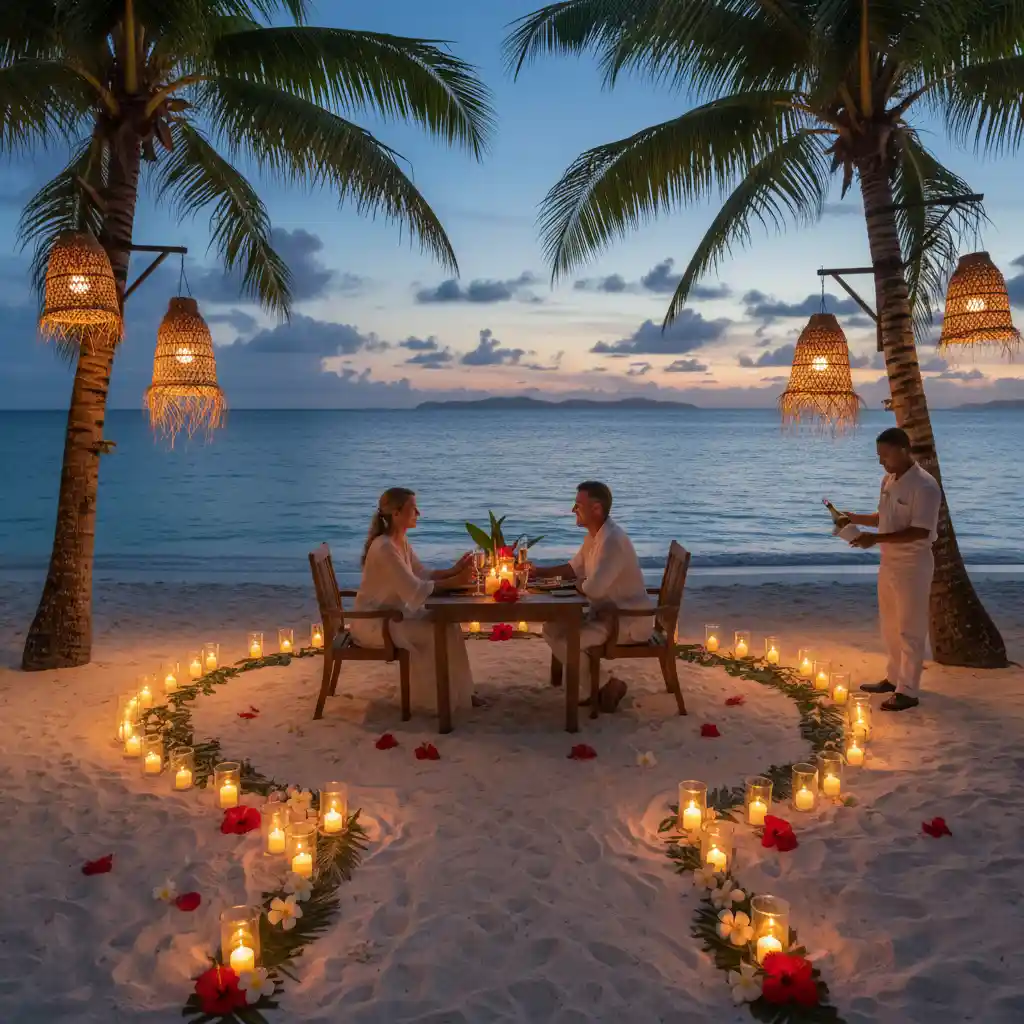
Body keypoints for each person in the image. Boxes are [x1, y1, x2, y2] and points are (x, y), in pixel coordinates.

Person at [349, 488, 476, 715]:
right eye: (413, 508)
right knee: (435, 632)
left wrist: (453, 571)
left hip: (393, 616)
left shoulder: (400, 541)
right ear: (396, 514)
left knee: (450, 625)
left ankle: (461, 694)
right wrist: (457, 581)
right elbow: (414, 589)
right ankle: (435, 701)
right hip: (375, 623)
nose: (419, 512)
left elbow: (421, 573)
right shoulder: (385, 547)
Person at [840, 428, 942, 712]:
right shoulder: (888, 479)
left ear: (903, 450)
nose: (881, 461)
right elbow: (883, 518)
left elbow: (921, 531)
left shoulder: (925, 486)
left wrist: (875, 539)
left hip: (913, 565)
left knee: (910, 628)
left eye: (885, 455)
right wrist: (851, 517)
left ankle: (908, 691)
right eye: (879, 456)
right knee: (890, 625)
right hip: (889, 562)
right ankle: (894, 678)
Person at [531, 481, 653, 712]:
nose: (572, 510)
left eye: (578, 505)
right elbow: (573, 568)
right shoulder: (594, 537)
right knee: (551, 628)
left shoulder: (613, 542)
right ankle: (602, 685)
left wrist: (577, 584)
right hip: (605, 615)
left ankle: (606, 686)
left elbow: (594, 589)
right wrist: (538, 572)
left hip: (626, 619)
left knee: (568, 641)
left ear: (596, 509)